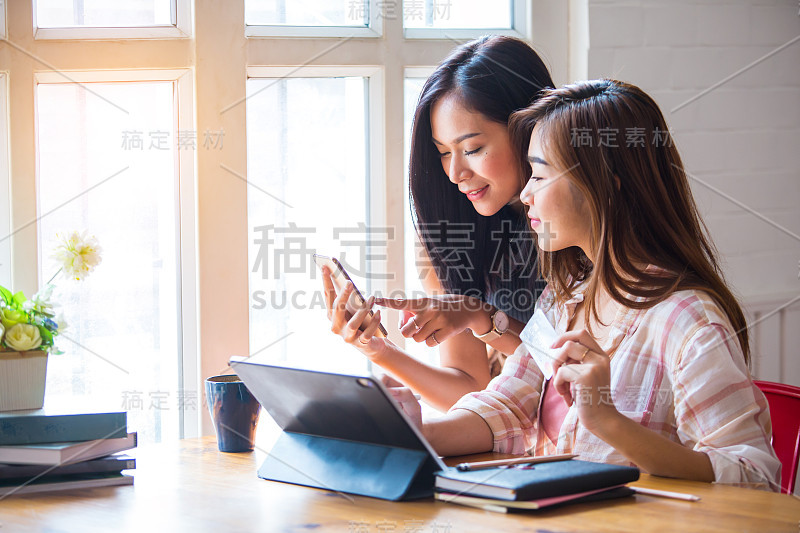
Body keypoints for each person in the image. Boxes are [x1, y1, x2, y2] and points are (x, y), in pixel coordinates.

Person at [375, 80, 782, 488]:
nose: (525, 195)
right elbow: (510, 405)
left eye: (539, 175)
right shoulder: (565, 294)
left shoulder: (688, 320)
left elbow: (754, 478)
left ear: (607, 183)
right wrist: (411, 434)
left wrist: (606, 420)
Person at [322, 36, 554, 412]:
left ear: (530, 129)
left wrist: (483, 319)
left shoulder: (577, 229)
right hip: (508, 441)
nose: (455, 173)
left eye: (473, 149)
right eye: (444, 153)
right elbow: (470, 386)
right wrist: (379, 351)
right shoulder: (449, 236)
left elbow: (577, 379)